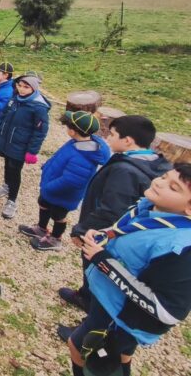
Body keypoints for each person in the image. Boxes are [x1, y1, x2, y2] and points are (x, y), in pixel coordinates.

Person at [66, 164, 191, 376]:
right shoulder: (151, 206)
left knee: (79, 349)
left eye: (173, 187)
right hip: (108, 299)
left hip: (120, 314)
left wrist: (103, 261)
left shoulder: (181, 249)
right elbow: (131, 233)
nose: (159, 183)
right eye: (164, 176)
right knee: (119, 353)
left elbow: (167, 311)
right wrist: (105, 235)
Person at [57, 115, 172, 317]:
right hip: (123, 232)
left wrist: (82, 231)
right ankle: (86, 295)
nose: (107, 138)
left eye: (112, 134)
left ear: (128, 140)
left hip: (104, 234)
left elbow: (111, 210)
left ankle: (91, 317)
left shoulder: (125, 171)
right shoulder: (152, 162)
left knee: (99, 267)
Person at [18, 111, 111, 251]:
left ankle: (55, 239)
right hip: (51, 188)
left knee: (58, 215)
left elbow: (72, 181)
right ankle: (41, 228)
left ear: (73, 131)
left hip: (63, 194)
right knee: (43, 203)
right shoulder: (77, 142)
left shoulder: (84, 157)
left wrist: (49, 187)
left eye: (68, 126)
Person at [0, 72, 50, 220]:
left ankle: (12, 200)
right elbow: (3, 115)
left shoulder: (38, 107)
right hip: (6, 141)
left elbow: (40, 132)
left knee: (15, 170)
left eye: (26, 87)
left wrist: (32, 151)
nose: (22, 89)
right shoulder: (14, 99)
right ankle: (6, 184)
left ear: (34, 88)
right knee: (6, 164)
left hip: (20, 146)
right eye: (19, 85)